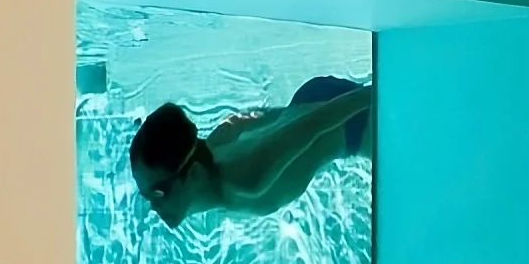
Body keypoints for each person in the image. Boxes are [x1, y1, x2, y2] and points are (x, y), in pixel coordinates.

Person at [128, 76, 373, 228]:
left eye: (158, 193)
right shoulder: (212, 147)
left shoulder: (245, 178)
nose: (154, 207)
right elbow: (235, 123)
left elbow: (316, 122)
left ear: (192, 173)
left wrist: (381, 89)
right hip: (308, 105)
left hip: (348, 120)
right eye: (147, 197)